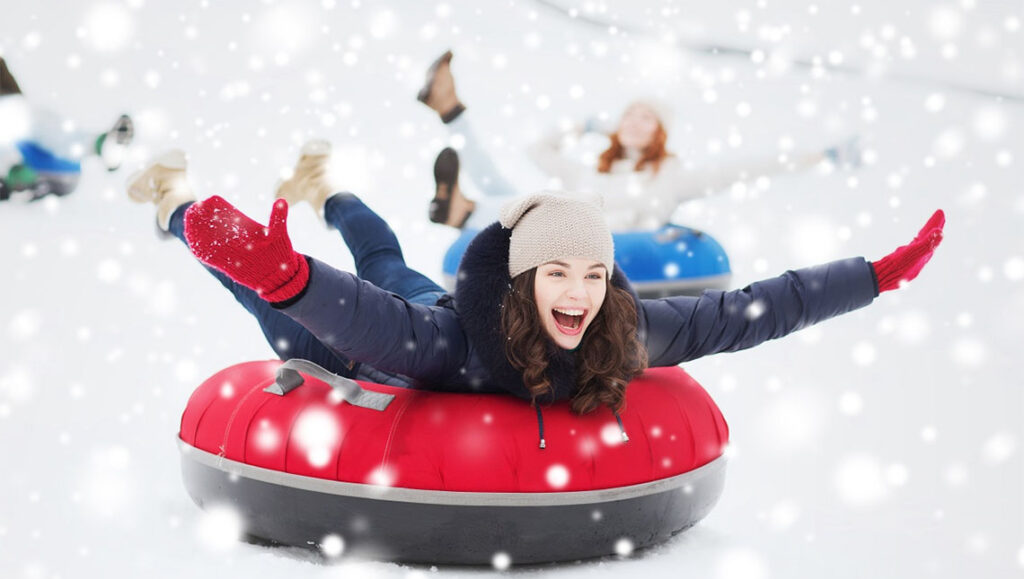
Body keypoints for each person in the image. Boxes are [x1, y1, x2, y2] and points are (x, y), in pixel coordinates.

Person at [127, 141, 943, 434]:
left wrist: (869, 277)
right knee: (311, 276)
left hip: (416, 310)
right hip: (360, 341)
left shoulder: (620, 333)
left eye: (593, 275)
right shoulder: (455, 341)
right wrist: (290, 280)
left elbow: (743, 313)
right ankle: (175, 202)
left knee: (383, 260)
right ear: (525, 282)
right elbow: (375, 328)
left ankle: (319, 184)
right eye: (558, 273)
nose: (578, 292)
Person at [416, 50, 862, 231]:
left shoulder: (671, 176)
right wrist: (584, 127)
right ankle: (449, 107)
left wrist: (819, 155)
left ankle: (464, 210)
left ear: (658, 132)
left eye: (645, 116)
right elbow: (537, 152)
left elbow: (744, 169)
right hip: (558, 218)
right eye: (629, 113)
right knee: (501, 185)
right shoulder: (593, 170)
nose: (634, 120)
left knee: (518, 200)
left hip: (590, 240)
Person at [0, 56, 133, 201]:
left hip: (56, 168)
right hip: (23, 174)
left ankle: (100, 145)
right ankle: (96, 145)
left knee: (31, 118)